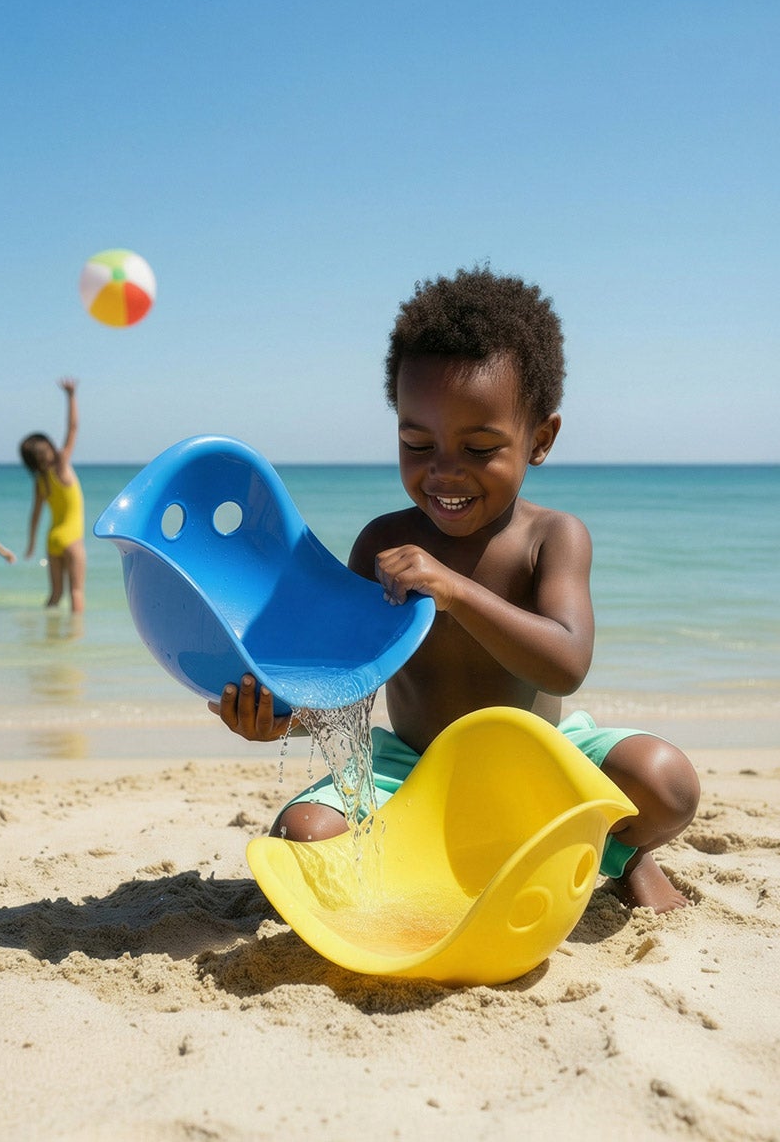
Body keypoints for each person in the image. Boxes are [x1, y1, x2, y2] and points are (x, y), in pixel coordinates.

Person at [210, 267, 701, 910]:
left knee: (666, 783)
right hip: (414, 769)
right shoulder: (382, 547)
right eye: (418, 442)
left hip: (538, 765)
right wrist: (276, 720)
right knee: (302, 838)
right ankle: (430, 859)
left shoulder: (552, 537)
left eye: (479, 447)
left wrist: (458, 593)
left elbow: (566, 663)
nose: (445, 470)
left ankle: (621, 850)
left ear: (541, 439)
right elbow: (345, 694)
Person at [19, 377, 87, 613]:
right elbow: (73, 429)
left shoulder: (41, 481)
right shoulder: (61, 466)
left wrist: (30, 545)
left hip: (52, 540)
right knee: (76, 592)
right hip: (71, 538)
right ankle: (74, 640)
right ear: (50, 448)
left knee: (55, 595)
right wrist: (71, 397)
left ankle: (48, 638)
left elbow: (35, 516)